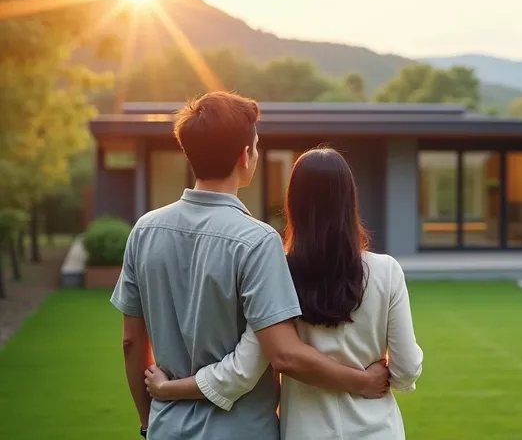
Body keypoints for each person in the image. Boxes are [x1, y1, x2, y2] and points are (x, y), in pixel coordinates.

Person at [110, 92, 390, 440]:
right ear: (246, 157)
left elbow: (130, 341)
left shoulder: (144, 231)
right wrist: (363, 381)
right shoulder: (258, 241)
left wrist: (148, 421)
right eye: (256, 146)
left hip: (166, 428)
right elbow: (284, 354)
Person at [144, 147, 424, 440]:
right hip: (378, 431)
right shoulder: (386, 271)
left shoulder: (277, 272)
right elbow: (406, 370)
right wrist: (372, 374)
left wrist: (168, 389)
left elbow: (244, 369)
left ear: (294, 204)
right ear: (349, 201)